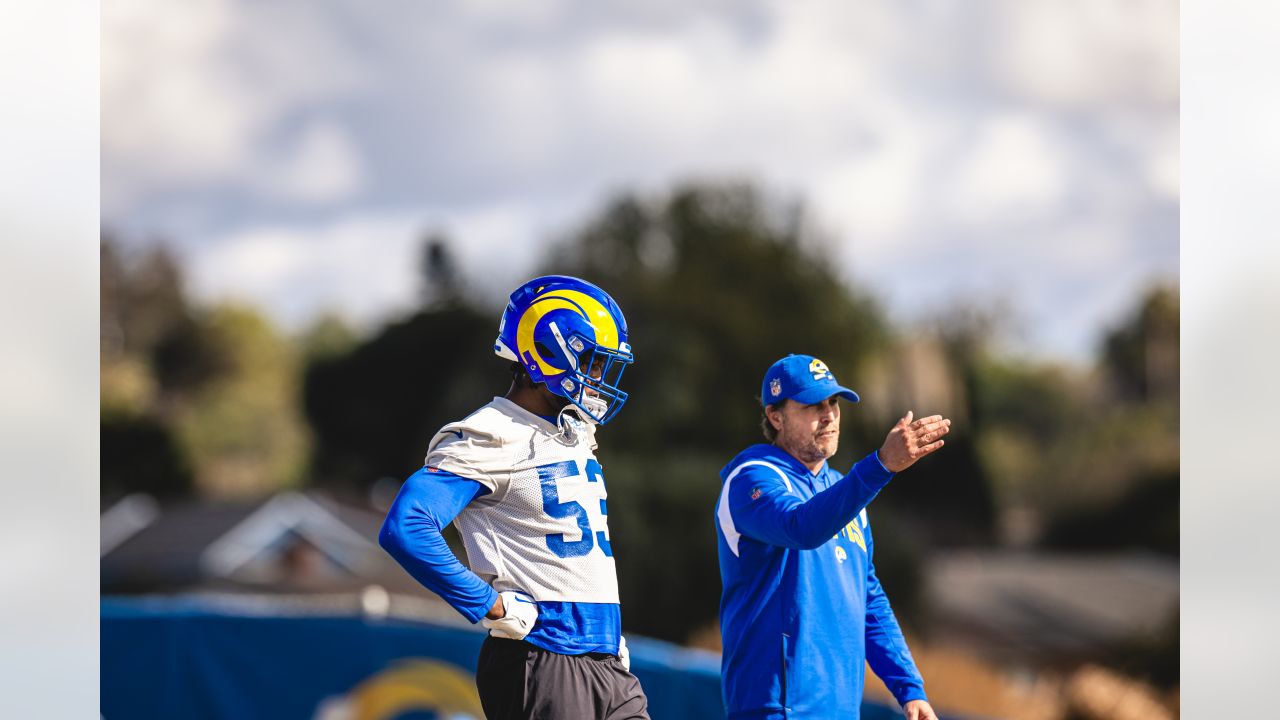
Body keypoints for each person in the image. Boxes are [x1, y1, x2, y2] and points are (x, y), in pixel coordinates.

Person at [379, 275, 650, 720]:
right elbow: (407, 526)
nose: (599, 378)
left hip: (604, 659)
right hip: (543, 655)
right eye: (594, 362)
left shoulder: (569, 434)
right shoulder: (492, 433)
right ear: (548, 352)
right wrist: (491, 604)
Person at [715, 354, 951, 720]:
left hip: (839, 711)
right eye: (812, 405)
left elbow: (867, 595)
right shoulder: (751, 478)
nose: (829, 415)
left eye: (833, 403)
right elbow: (800, 527)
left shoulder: (841, 488)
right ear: (775, 416)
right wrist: (881, 465)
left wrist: (909, 687)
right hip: (775, 709)